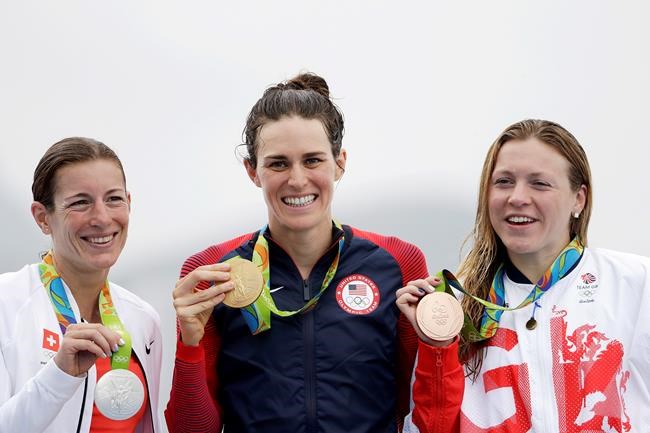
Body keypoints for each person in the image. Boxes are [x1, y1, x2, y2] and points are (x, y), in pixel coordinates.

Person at [165, 72, 427, 433]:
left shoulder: (398, 262)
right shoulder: (212, 271)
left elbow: (420, 406)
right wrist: (189, 343)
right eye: (278, 163)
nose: (297, 179)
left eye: (313, 160)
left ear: (340, 163)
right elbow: (191, 430)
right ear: (252, 171)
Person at [397, 119, 650, 433]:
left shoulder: (637, 284)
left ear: (578, 199)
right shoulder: (455, 307)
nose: (517, 197)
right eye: (503, 181)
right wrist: (436, 345)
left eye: (539, 183)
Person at [0, 137, 163, 432]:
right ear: (42, 218)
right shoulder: (6, 303)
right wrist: (59, 375)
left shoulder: (144, 319)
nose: (101, 218)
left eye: (114, 198)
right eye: (80, 203)